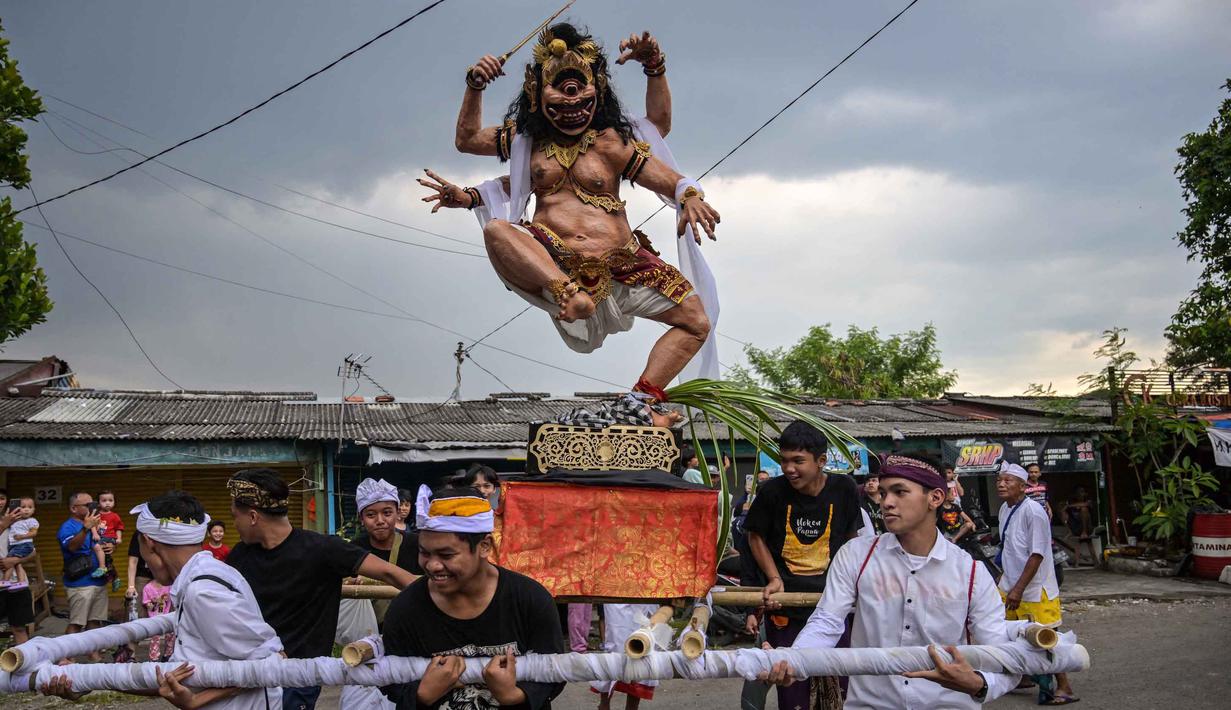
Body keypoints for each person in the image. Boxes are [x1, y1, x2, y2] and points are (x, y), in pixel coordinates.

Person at [421, 24, 721, 397]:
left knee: (696, 320)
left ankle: (639, 401)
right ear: (535, 91)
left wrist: (689, 195)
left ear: (599, 88)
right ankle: (568, 293)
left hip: (623, 261)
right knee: (497, 230)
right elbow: (467, 140)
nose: (571, 103)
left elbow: (668, 175)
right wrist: (475, 84)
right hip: (557, 265)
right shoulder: (525, 143)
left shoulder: (612, 141)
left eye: (581, 93)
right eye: (558, 92)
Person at [759, 454, 1021, 708]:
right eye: (883, 493)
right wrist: (794, 660)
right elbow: (827, 622)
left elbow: (1000, 654)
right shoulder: (856, 556)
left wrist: (978, 684)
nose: (887, 502)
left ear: (936, 497)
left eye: (900, 492)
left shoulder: (971, 572)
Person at [40, 490, 284, 709]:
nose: (144, 560)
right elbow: (174, 677)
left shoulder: (204, 592)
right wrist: (85, 679)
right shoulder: (199, 580)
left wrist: (197, 700)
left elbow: (271, 661)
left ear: (149, 542)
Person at [225, 468, 416, 710]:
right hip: (249, 675)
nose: (234, 524)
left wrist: (443, 611)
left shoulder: (323, 549)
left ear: (252, 517)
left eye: (235, 517)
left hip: (299, 680)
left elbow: (393, 573)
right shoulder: (239, 557)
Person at [380, 485, 565, 709]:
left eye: (447, 555)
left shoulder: (529, 600)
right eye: (424, 553)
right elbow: (390, 679)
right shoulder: (406, 608)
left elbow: (554, 672)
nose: (432, 565)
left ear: (485, 546)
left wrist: (514, 696)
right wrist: (422, 695)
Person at [742, 420, 862, 709]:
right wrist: (773, 579)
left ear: (821, 461)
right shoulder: (772, 492)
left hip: (832, 606)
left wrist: (849, 584)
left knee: (841, 686)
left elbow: (851, 539)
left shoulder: (844, 488)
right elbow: (754, 535)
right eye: (784, 460)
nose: (788, 468)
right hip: (786, 608)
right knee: (792, 688)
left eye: (798, 461)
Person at [997, 462, 1077, 705]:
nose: (1001, 484)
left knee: (1045, 637)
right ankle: (1023, 675)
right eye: (999, 480)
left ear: (1023, 487)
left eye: (1007, 480)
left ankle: (1064, 686)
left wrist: (1019, 589)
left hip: (1035, 588)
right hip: (1010, 583)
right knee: (1012, 633)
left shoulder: (1034, 511)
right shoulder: (1004, 509)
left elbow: (1037, 554)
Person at [349, 477, 423, 625]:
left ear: (397, 513)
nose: (380, 520)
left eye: (387, 513)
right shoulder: (354, 549)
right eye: (371, 515)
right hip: (369, 630)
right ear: (361, 518)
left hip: (412, 626)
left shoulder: (416, 544)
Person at [58, 491, 113, 660]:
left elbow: (98, 545)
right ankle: (66, 658)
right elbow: (72, 547)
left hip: (98, 581)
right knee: (77, 623)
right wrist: (86, 528)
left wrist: (110, 547)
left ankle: (93, 655)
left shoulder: (94, 523)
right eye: (87, 505)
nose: (93, 507)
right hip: (80, 583)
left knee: (95, 622)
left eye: (93, 504)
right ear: (74, 508)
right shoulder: (68, 527)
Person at [0, 491, 35, 645]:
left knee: (20, 627)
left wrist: (13, 560)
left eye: (2, 499)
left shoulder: (20, 523)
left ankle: (25, 665)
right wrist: (3, 525)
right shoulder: (7, 524)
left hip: (16, 582)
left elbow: (32, 552)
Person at [2, 497, 37, 590]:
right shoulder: (13, 523)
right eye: (23, 507)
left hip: (23, 545)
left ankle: (7, 581)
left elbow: (33, 551)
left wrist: (15, 560)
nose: (26, 509)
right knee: (15, 562)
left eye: (29, 507)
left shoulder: (28, 522)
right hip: (15, 545)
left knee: (12, 561)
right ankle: (19, 582)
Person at [142, 577, 176, 662]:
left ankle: (168, 655)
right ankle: (154, 658)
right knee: (155, 637)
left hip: (166, 615)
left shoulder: (169, 587)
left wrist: (167, 599)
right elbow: (147, 604)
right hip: (154, 617)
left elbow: (172, 600)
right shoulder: (148, 588)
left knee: (170, 634)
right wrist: (153, 603)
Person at [1063, 487, 1097, 567]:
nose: (1079, 494)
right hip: (1077, 528)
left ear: (1085, 494)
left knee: (1084, 509)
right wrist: (1065, 509)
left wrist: (1069, 506)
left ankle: (1096, 561)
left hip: (1087, 529)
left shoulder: (1088, 500)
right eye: (1078, 493)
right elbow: (1064, 508)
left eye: (1081, 492)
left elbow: (1085, 505)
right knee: (1062, 511)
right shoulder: (1073, 501)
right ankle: (1077, 563)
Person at [97, 490, 124, 591]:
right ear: (99, 503)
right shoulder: (96, 515)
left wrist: (119, 538)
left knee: (104, 556)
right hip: (99, 538)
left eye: (110, 500)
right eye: (104, 500)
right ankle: (114, 577)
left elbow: (119, 528)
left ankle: (109, 574)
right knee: (107, 559)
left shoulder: (114, 516)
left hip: (110, 538)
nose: (107, 503)